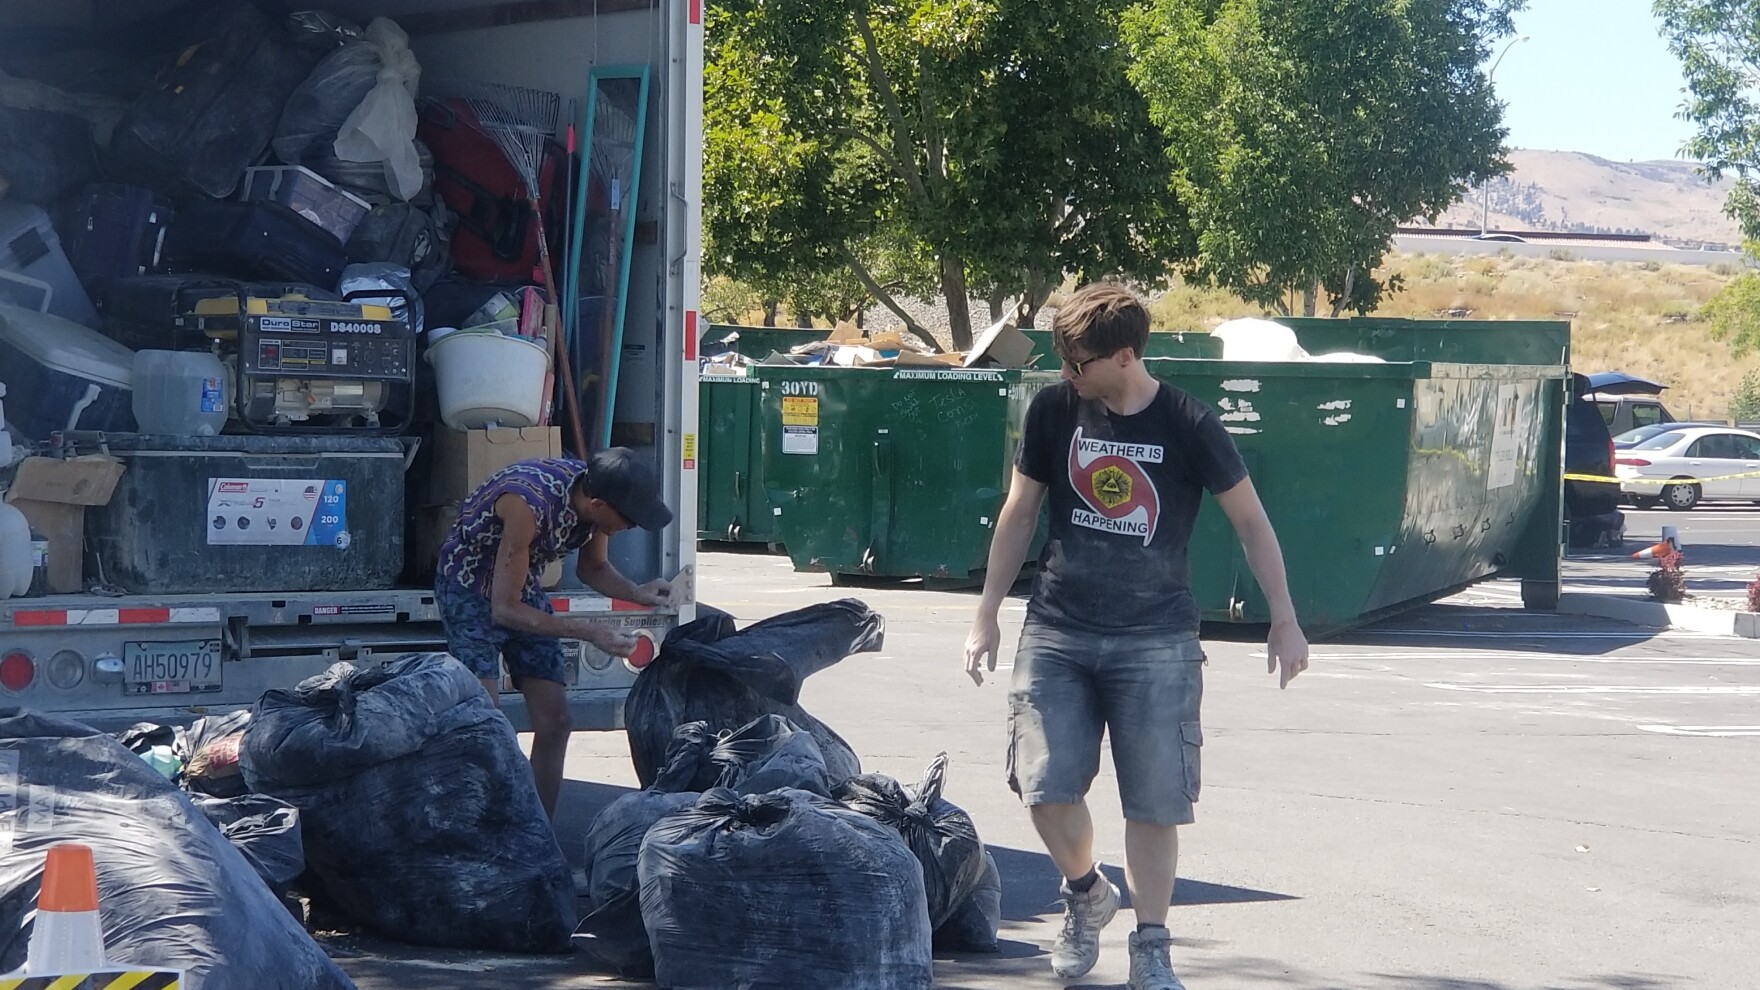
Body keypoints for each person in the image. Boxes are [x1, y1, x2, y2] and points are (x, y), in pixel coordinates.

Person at [961, 283, 1310, 990]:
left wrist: (1284, 616)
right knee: (1042, 782)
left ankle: (1151, 946)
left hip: (1157, 639)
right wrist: (986, 612)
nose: (1067, 372)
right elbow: (1019, 512)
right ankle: (1087, 893)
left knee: (1154, 801)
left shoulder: (1188, 422)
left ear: (1124, 355)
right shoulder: (1056, 409)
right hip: (1059, 627)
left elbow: (1250, 521)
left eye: (1078, 360)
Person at [436, 447, 676, 817]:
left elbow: (593, 568)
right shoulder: (527, 504)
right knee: (486, 728)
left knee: (557, 721)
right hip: (469, 586)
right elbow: (504, 609)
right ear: (598, 504)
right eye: (629, 520)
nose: (631, 527)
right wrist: (588, 631)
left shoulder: (595, 499)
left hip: (518, 584)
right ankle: (481, 832)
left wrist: (635, 592)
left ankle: (538, 834)